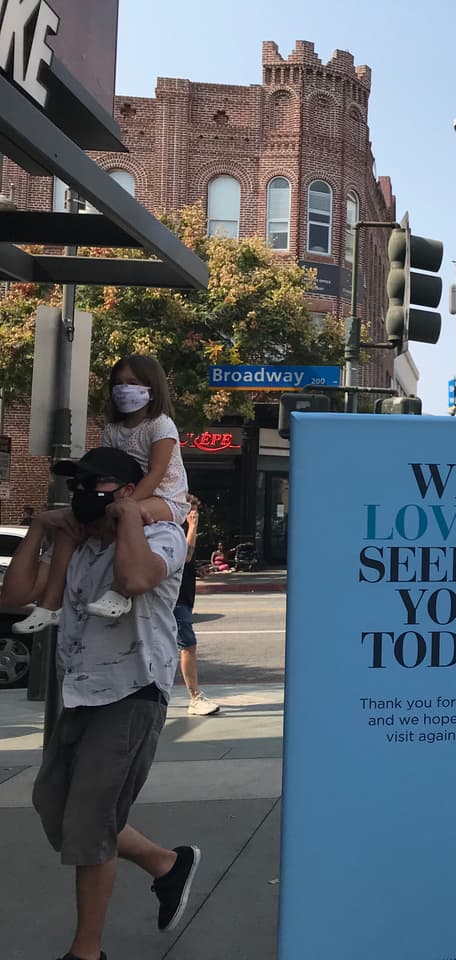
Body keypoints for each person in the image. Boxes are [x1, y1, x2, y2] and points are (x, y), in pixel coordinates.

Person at [1, 447, 199, 960]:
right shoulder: (80, 547)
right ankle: (165, 864)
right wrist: (43, 531)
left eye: (99, 484)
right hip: (78, 692)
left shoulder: (163, 537)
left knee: (89, 824)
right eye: (78, 486)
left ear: (129, 491)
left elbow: (135, 581)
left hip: (131, 693)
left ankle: (85, 951)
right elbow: (16, 594)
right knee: (57, 809)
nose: (85, 495)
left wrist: (130, 516)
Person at [15, 355, 190, 634]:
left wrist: (125, 504)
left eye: (133, 382)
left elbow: (156, 473)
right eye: (118, 383)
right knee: (69, 529)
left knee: (127, 516)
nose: (124, 389)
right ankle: (49, 606)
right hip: (126, 494)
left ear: (151, 387)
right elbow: (107, 467)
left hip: (165, 498)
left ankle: (120, 594)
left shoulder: (161, 424)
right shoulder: (113, 430)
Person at [176, 495, 220, 716]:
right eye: (190, 512)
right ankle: (195, 697)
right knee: (187, 644)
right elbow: (184, 555)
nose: (193, 517)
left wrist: (197, 569)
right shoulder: (175, 530)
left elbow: (187, 562)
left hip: (183, 596)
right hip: (174, 598)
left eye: (195, 513)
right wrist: (192, 527)